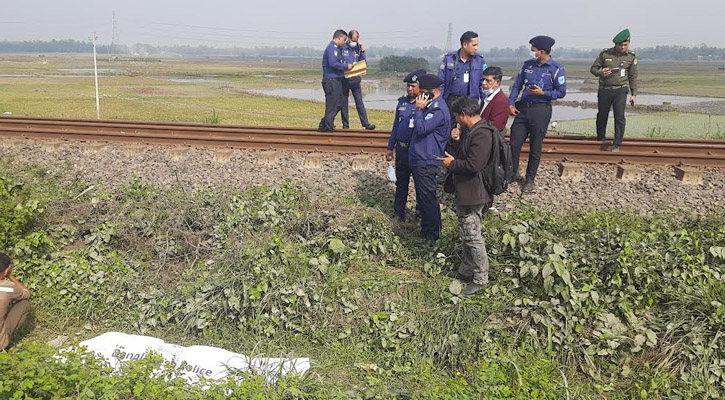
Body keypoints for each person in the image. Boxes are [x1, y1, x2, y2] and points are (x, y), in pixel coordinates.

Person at [437, 97, 493, 295]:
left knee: (473, 237)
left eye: (456, 117)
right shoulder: (472, 131)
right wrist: (457, 140)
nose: (455, 120)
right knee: (468, 235)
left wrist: (451, 164)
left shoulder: (482, 134)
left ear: (463, 115)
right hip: (467, 191)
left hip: (474, 193)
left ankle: (480, 278)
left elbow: (474, 164)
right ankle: (466, 269)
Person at [508, 35, 566, 193]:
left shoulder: (556, 69)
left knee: (535, 146)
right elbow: (517, 86)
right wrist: (510, 103)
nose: (531, 52)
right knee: (514, 143)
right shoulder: (527, 65)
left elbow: (561, 92)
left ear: (541, 51)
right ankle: (513, 173)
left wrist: (543, 93)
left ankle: (529, 179)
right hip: (523, 109)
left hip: (541, 110)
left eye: (533, 50)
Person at [409, 74, 451, 241]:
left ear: (431, 93)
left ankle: (433, 236)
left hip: (427, 159)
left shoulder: (438, 109)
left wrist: (419, 109)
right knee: (422, 198)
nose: (419, 96)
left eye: (423, 93)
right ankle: (425, 232)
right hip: (420, 158)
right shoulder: (431, 107)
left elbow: (421, 129)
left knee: (428, 199)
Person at [386, 69, 426, 221]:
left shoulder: (424, 104)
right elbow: (396, 125)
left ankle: (420, 214)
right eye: (408, 86)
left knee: (419, 185)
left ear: (420, 87)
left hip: (416, 150)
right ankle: (398, 213)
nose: (410, 89)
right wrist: (390, 147)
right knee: (401, 184)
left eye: (413, 86)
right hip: (401, 150)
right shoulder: (402, 102)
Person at [590, 29, 639, 152]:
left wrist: (634, 94)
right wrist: (600, 72)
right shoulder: (605, 54)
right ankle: (600, 138)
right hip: (605, 89)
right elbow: (593, 69)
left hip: (620, 90)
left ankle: (617, 143)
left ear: (628, 43)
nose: (622, 47)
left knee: (619, 116)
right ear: (615, 44)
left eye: (625, 45)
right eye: (620, 45)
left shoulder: (631, 57)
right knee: (602, 115)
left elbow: (632, 76)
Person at [318, 30, 353, 132]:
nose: (344, 42)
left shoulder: (337, 49)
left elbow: (341, 61)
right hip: (331, 80)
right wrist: (346, 66)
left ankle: (325, 122)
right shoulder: (331, 48)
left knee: (339, 104)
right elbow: (333, 63)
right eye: (344, 39)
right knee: (332, 105)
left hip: (337, 79)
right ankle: (328, 127)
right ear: (339, 37)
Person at [341, 30, 375, 130]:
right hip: (344, 79)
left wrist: (362, 50)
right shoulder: (342, 47)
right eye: (353, 40)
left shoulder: (358, 49)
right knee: (344, 103)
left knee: (359, 102)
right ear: (348, 38)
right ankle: (345, 125)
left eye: (356, 40)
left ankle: (365, 123)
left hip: (355, 80)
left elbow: (364, 63)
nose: (354, 42)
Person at [0, 252, 31, 350]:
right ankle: (4, 340)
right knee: (24, 304)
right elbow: (27, 293)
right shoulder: (8, 287)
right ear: (7, 269)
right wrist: (10, 276)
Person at [479, 66, 510, 132]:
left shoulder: (500, 101)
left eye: (488, 80)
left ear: (497, 82)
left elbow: (495, 127)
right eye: (483, 79)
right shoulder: (486, 97)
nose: (484, 83)